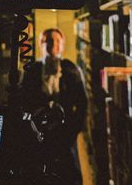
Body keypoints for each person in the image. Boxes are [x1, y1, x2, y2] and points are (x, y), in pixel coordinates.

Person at [20, 28, 87, 185]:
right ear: (41, 45)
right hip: (38, 133)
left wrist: (73, 130)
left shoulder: (71, 69)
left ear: (62, 45)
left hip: (65, 133)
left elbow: (82, 103)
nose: (54, 45)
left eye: (58, 41)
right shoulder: (32, 70)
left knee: (70, 175)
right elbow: (23, 101)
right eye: (49, 41)